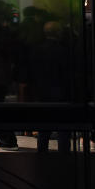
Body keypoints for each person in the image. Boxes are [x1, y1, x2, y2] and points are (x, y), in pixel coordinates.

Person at [27, 21, 73, 152]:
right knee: (63, 129)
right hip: (60, 93)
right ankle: (64, 155)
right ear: (58, 33)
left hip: (42, 92)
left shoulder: (37, 49)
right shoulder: (63, 50)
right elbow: (66, 73)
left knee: (44, 128)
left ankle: (42, 153)